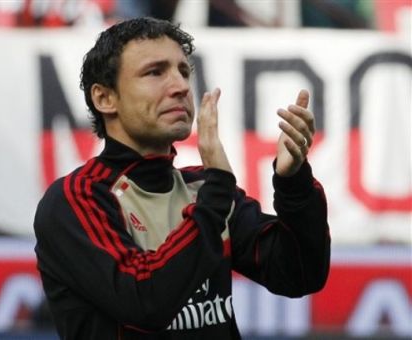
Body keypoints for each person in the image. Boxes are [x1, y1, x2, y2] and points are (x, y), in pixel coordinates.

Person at [34, 17, 330, 339]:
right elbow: (146, 302)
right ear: (105, 98)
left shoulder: (203, 187)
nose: (180, 87)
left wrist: (293, 182)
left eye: (183, 71)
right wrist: (216, 193)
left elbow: (300, 274)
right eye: (154, 72)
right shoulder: (77, 197)